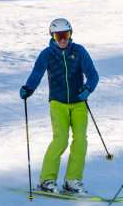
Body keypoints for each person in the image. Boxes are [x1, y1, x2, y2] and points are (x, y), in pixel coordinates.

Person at [20, 18, 99, 195]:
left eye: (66, 35)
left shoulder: (79, 51)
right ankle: (46, 179)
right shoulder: (46, 54)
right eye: (58, 36)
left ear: (71, 35)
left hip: (79, 103)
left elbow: (93, 74)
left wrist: (88, 88)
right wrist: (28, 89)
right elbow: (36, 75)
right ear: (52, 36)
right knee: (61, 139)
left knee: (80, 140)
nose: (62, 39)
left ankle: (72, 180)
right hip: (58, 103)